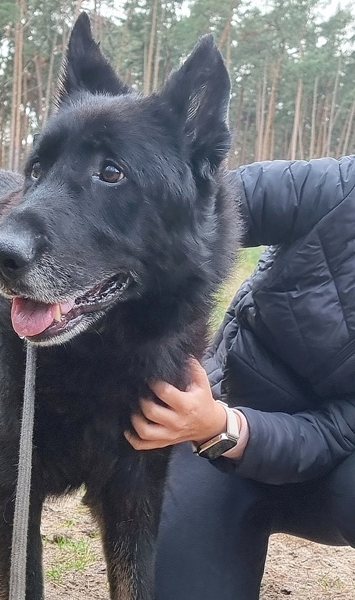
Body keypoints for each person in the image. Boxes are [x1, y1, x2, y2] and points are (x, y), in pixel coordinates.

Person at [125, 154, 355, 600]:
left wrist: (222, 428)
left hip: (330, 473)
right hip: (216, 424)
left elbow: (334, 433)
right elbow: (205, 203)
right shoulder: (338, 188)